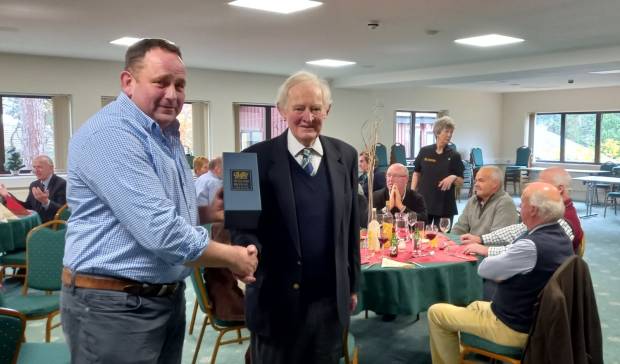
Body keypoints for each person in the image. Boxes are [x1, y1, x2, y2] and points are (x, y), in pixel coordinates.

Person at [60, 38, 258, 364]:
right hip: (113, 307)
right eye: (161, 82)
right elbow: (161, 232)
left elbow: (158, 212)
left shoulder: (165, 134)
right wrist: (233, 257)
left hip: (161, 299)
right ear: (128, 82)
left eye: (179, 85)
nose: (172, 94)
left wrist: (205, 212)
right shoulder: (112, 135)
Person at [232, 70, 360, 364]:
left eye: (315, 108)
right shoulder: (245, 161)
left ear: (327, 110)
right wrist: (247, 251)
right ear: (282, 110)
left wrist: (352, 284)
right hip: (274, 300)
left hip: (329, 302)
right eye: (299, 108)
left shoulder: (347, 156)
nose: (308, 116)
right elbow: (241, 228)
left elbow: (350, 226)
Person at [427, 182, 574, 364]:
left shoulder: (530, 245)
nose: (520, 207)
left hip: (513, 327)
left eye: (524, 202)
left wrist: (501, 258)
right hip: (534, 319)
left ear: (534, 210)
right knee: (474, 305)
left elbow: (485, 269)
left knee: (436, 312)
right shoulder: (561, 235)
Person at [461, 167, 583, 256]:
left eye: (541, 184)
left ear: (559, 189)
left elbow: (525, 250)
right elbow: (519, 229)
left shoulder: (564, 221)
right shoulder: (549, 211)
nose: (536, 187)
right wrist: (481, 239)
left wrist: (486, 250)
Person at [410, 116, 464, 226]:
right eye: (446, 131)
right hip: (424, 204)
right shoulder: (425, 151)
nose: (449, 135)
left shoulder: (454, 155)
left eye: (451, 132)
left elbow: (461, 181)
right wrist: (412, 193)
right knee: (421, 237)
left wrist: (453, 177)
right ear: (438, 132)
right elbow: (416, 173)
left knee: (442, 239)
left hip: (445, 206)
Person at [451, 166, 518, 236]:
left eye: (481, 180)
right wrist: (448, 240)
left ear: (495, 184)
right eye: (476, 181)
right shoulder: (473, 200)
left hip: (487, 246)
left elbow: (499, 240)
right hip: (470, 245)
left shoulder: (505, 204)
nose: (476, 184)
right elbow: (459, 228)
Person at [0, 155, 66, 222]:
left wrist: (45, 202)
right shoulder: (34, 185)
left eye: (39, 167)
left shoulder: (61, 184)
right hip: (35, 222)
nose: (35, 170)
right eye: (34, 167)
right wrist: (7, 195)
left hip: (51, 225)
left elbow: (64, 212)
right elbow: (28, 207)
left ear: (51, 168)